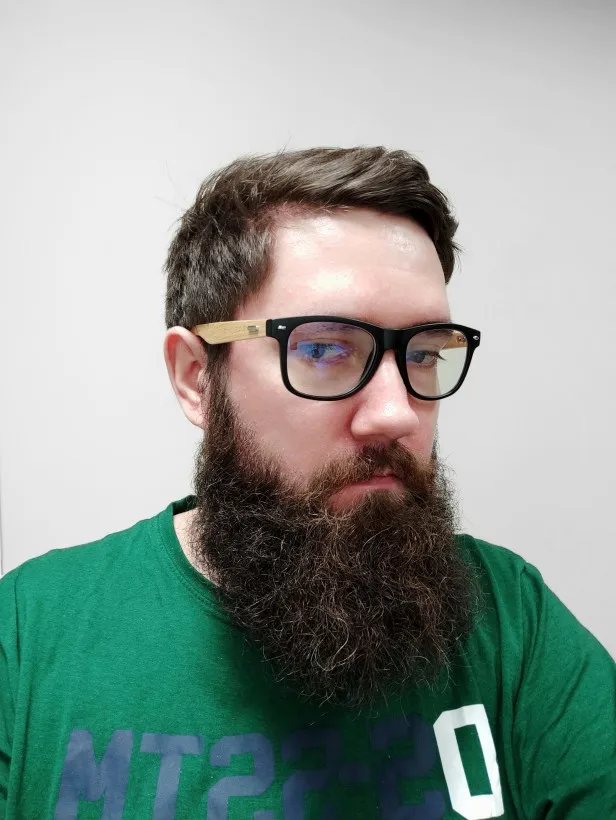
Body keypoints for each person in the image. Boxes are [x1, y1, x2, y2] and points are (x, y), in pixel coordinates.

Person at [0, 147, 614, 820]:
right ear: (197, 378)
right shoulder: (31, 633)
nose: (396, 414)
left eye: (424, 354)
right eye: (324, 349)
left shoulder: (512, 625)